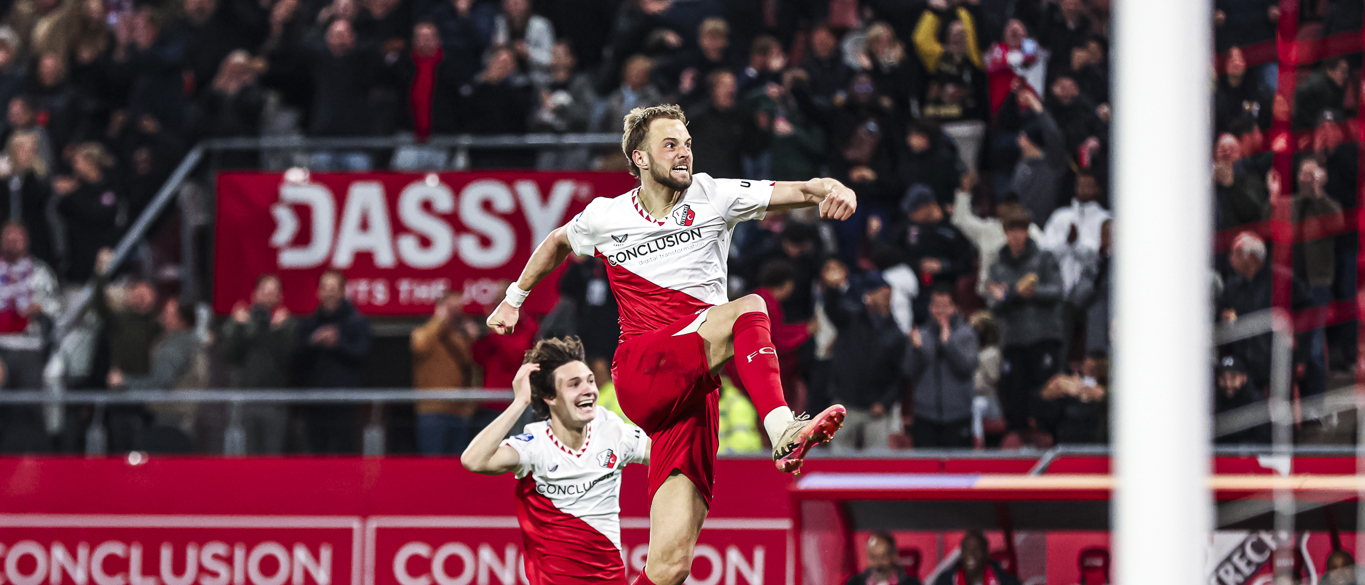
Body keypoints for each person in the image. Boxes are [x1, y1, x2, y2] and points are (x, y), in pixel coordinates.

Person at [485, 104, 856, 585]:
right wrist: (513, 299)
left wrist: (835, 187)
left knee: (669, 567)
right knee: (750, 307)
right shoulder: (607, 215)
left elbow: (804, 190)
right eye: (670, 144)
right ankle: (782, 427)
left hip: (693, 391)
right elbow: (556, 241)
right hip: (643, 367)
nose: (684, 153)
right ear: (639, 158)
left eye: (687, 144)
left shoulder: (714, 195)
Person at [461, 337, 649, 584]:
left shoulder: (613, 431)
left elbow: (670, 455)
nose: (589, 390)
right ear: (549, 396)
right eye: (574, 384)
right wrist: (520, 402)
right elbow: (474, 460)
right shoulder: (534, 444)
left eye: (590, 381)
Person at [985, 211, 1064, 446]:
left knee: (1047, 393)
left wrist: (1033, 292)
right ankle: (1017, 445)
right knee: (1014, 396)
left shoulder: (1044, 258)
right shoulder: (997, 265)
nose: (1016, 236)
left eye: (1020, 230)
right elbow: (992, 303)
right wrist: (1010, 295)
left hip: (1044, 336)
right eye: (1011, 231)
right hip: (1013, 339)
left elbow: (1057, 291)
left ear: (1027, 232)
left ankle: (1052, 441)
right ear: (1005, 233)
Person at [822, 266, 907, 451]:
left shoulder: (896, 334)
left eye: (886, 291)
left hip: (876, 409)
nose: (884, 295)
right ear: (868, 295)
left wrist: (885, 402)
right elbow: (832, 309)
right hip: (845, 402)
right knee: (839, 459)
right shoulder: (851, 318)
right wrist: (833, 288)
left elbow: (900, 375)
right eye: (878, 291)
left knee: (877, 462)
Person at [296, 270, 372, 453]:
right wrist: (313, 342)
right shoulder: (309, 324)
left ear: (342, 291)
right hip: (315, 405)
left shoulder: (357, 322)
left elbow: (363, 355)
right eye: (325, 288)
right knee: (317, 457)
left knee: (346, 456)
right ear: (318, 292)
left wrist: (339, 343)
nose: (329, 293)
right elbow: (296, 360)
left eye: (333, 288)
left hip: (345, 404)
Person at [220, 274, 295, 454]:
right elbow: (228, 356)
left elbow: (291, 359)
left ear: (280, 296)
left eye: (273, 292)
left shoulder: (287, 323)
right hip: (245, 399)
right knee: (245, 456)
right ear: (254, 294)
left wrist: (278, 331)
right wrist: (239, 327)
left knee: (272, 456)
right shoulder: (241, 320)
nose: (268, 296)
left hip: (275, 401)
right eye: (265, 291)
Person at [906, 286, 978, 448]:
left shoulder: (966, 334)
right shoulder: (921, 335)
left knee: (959, 463)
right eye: (936, 305)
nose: (940, 311)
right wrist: (917, 351)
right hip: (925, 415)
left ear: (954, 307)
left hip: (958, 415)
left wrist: (949, 345)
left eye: (945, 306)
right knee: (925, 463)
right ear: (930, 307)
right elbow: (909, 371)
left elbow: (967, 368)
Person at [411, 290, 476, 455]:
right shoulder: (422, 333)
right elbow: (420, 347)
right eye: (451, 309)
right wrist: (439, 319)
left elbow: (470, 369)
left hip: (458, 411)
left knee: (457, 464)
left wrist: (470, 406)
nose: (454, 314)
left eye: (458, 309)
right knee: (432, 464)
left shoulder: (460, 338)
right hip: (431, 411)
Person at [1212, 354, 1269, 445]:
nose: (1228, 384)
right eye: (1223, 378)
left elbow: (1264, 439)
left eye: (1233, 377)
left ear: (1244, 378)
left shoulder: (1256, 402)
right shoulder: (1214, 402)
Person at [932, 531, 1021, 585]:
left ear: (985, 554)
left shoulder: (1007, 581)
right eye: (966, 549)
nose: (971, 554)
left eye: (976, 549)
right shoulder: (945, 581)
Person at [844, 531, 919, 585]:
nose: (878, 562)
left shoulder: (911, 583)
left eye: (883, 557)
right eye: (873, 557)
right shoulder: (854, 582)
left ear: (893, 556)